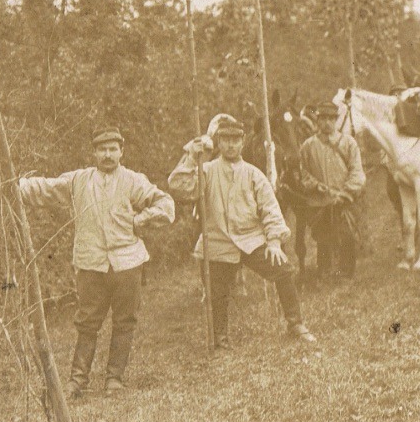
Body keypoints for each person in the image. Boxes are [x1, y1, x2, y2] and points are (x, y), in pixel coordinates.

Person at [18, 128, 176, 398]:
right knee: (87, 322)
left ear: (121, 151)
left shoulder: (133, 181)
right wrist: (13, 185)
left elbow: (166, 204)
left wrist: (142, 219)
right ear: (94, 152)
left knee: (125, 321)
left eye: (113, 149)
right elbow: (44, 188)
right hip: (91, 263)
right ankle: (77, 381)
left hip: (127, 262)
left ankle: (115, 379)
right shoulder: (79, 180)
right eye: (102, 149)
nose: (107, 154)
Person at [168, 115, 316, 347]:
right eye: (225, 139)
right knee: (217, 292)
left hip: (251, 240)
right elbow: (179, 187)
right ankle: (220, 337)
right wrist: (191, 157)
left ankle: (295, 323)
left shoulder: (253, 174)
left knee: (283, 268)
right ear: (219, 141)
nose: (230, 144)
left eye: (235, 139)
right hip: (218, 242)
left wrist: (274, 242)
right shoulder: (205, 170)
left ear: (243, 141)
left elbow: (270, 209)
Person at [296, 99, 366, 278]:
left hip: (344, 200)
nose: (327, 122)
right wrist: (317, 187)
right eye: (323, 118)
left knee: (346, 235)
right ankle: (324, 272)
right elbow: (303, 174)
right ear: (317, 120)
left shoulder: (348, 143)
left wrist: (344, 192)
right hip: (320, 202)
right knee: (323, 238)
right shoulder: (308, 146)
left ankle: (346, 273)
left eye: (331, 119)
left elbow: (357, 172)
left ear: (336, 120)